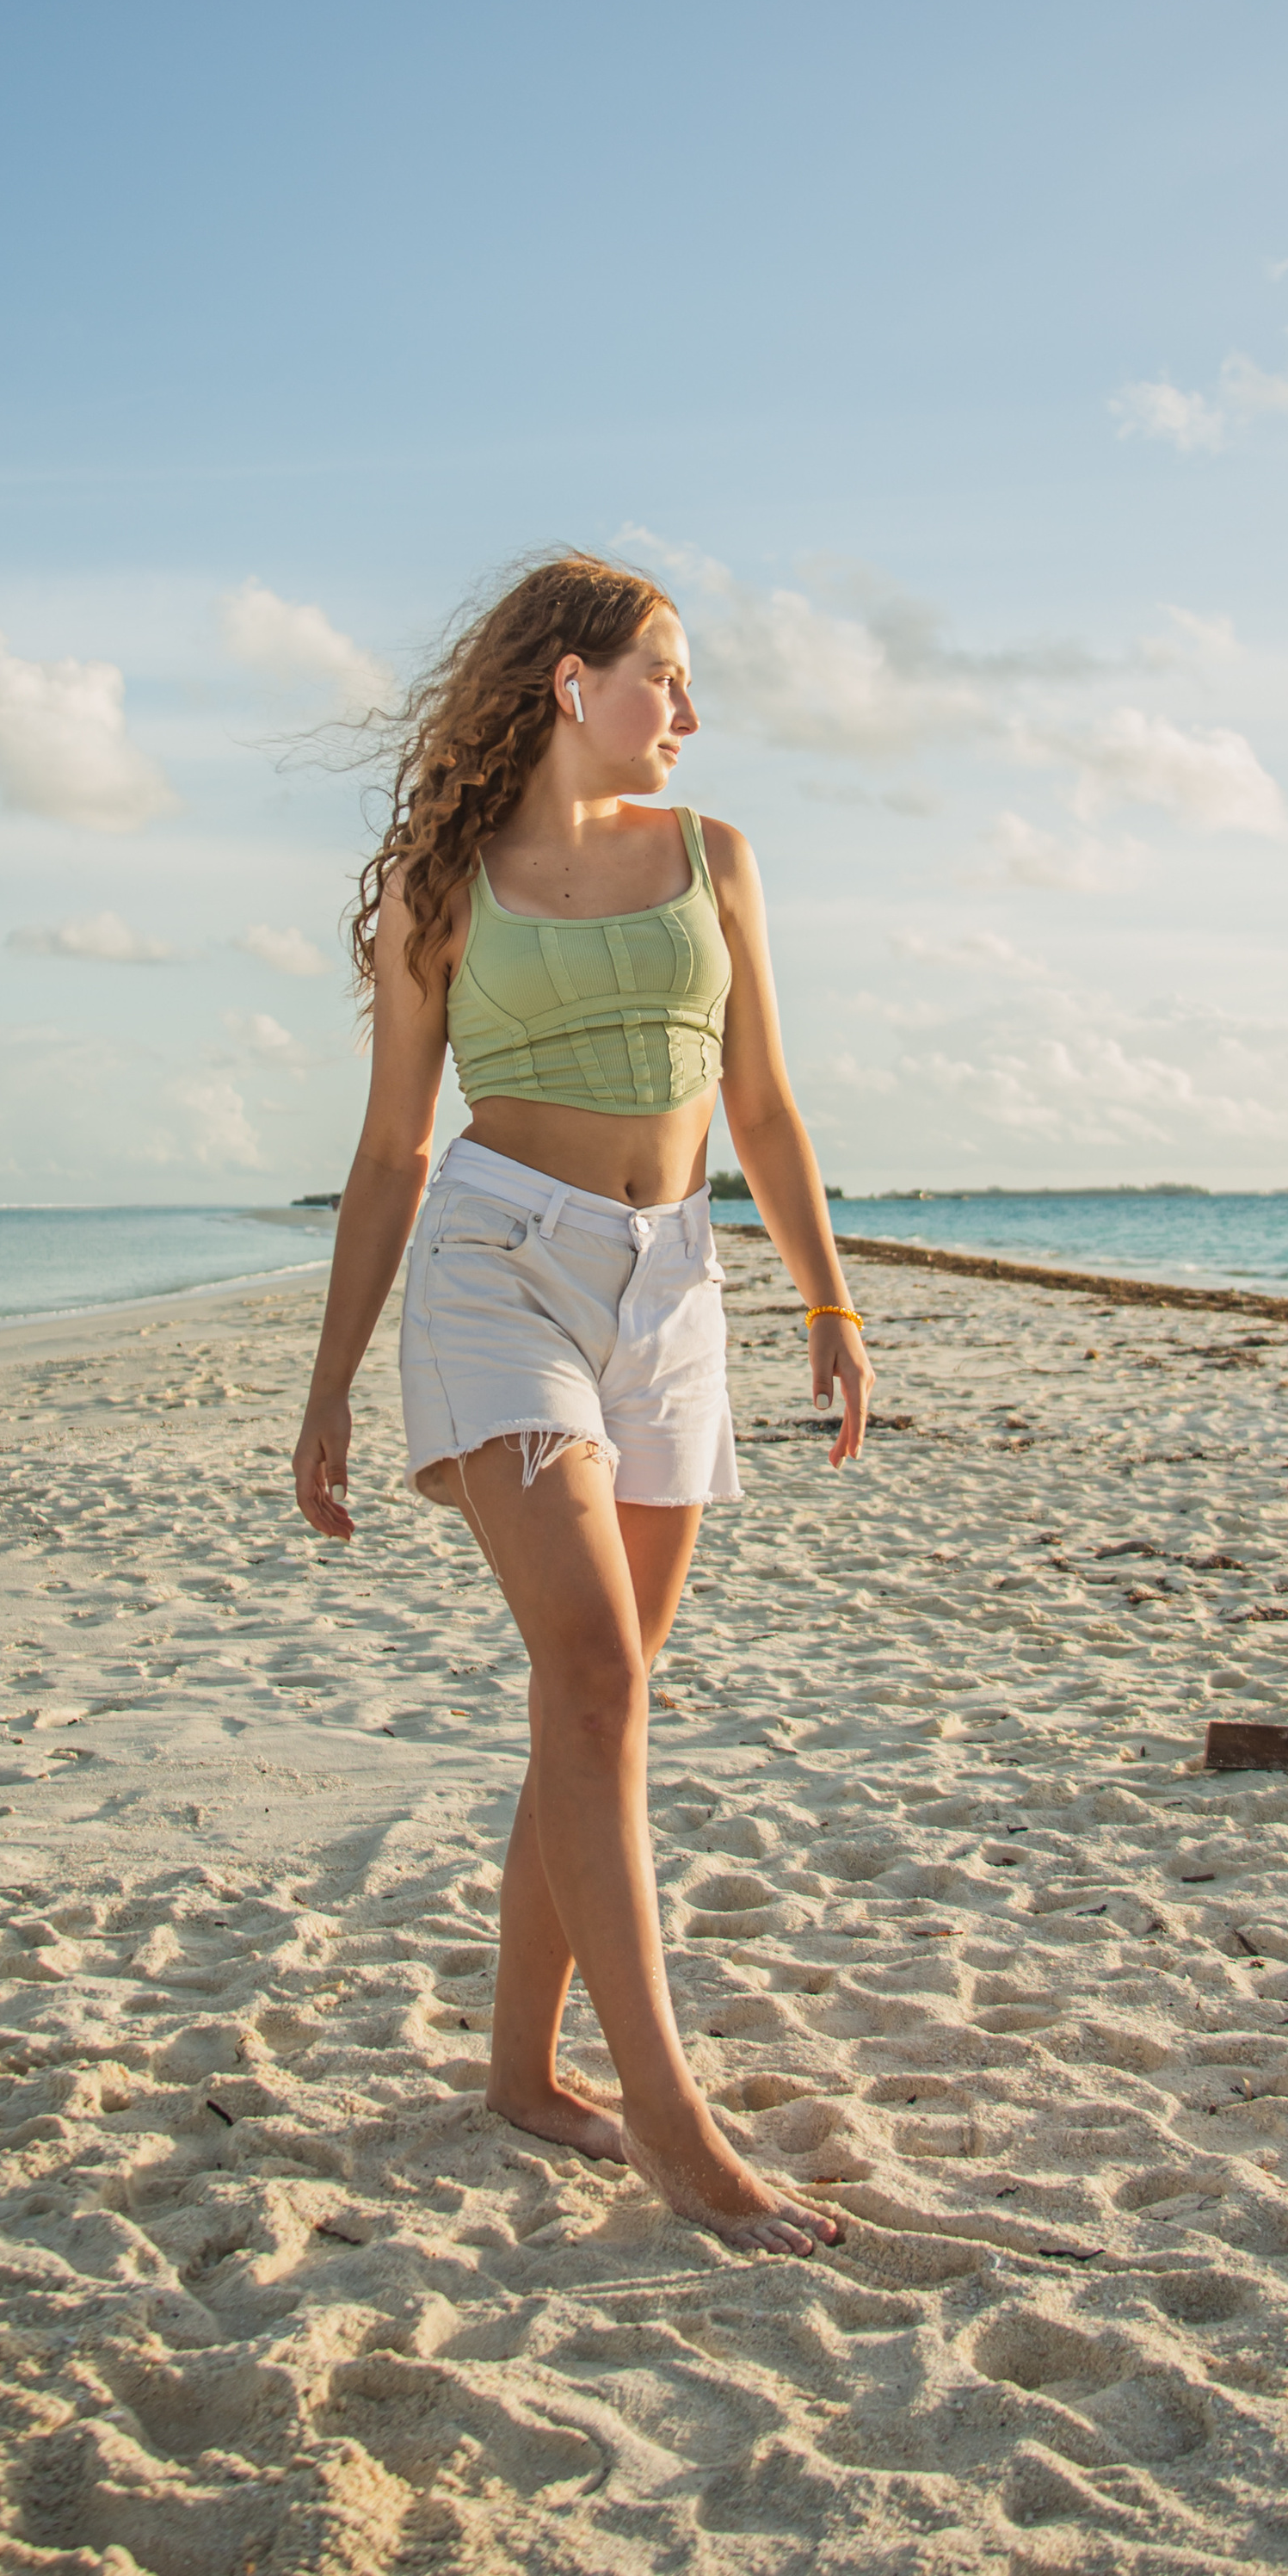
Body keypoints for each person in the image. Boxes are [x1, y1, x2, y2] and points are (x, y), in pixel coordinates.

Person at [293, 550, 872, 2254]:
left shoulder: (716, 860)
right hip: (497, 1272)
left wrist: (825, 1299)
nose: (686, 710)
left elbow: (758, 1101)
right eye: (660, 674)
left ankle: (522, 2072)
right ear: (567, 682)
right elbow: (395, 1142)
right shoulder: (440, 881)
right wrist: (328, 1382)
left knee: (597, 1701)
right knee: (596, 1669)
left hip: (672, 1282)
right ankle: (669, 2120)